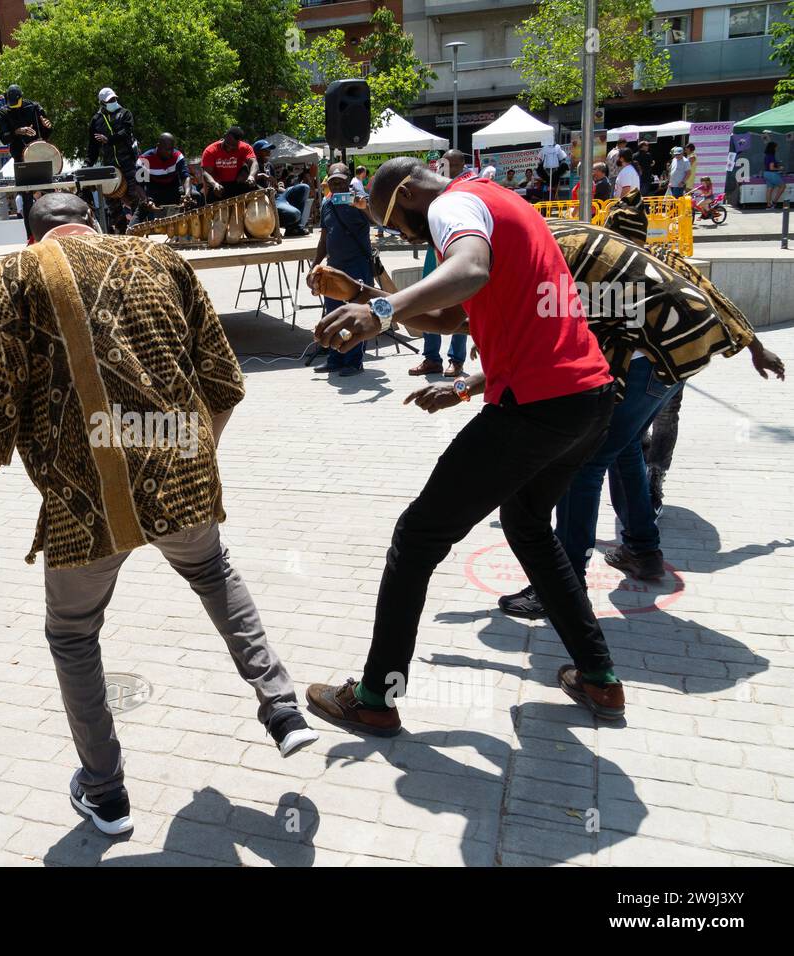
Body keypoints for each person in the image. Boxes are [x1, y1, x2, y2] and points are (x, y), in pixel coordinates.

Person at [0, 192, 319, 835]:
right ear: (94, 224)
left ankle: (105, 794)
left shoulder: (21, 274)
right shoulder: (164, 261)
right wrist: (187, 466)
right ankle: (282, 710)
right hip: (178, 477)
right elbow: (224, 384)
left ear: (33, 236)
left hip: (88, 499)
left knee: (73, 636)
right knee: (215, 574)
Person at [305, 156, 623, 732]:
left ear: (406, 199)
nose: (406, 238)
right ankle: (599, 679)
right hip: (588, 399)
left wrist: (381, 310)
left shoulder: (453, 204)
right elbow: (454, 315)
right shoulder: (501, 202)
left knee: (417, 535)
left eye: (400, 229)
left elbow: (470, 271)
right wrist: (366, 293)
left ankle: (374, 697)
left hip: (536, 407)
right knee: (527, 524)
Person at [475, 218, 786, 616]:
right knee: (623, 451)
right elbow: (707, 292)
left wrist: (477, 377)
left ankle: (561, 586)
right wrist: (755, 346)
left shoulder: (544, 256)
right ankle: (642, 550)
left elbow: (535, 334)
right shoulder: (615, 253)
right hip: (676, 356)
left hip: (648, 360)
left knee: (581, 462)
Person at [307, 164, 373, 375]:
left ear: (349, 181)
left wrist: (362, 206)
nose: (337, 185)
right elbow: (324, 238)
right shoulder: (327, 203)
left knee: (355, 315)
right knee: (334, 314)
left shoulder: (361, 202)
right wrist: (315, 265)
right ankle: (335, 359)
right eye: (333, 181)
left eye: (341, 181)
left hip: (358, 267)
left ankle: (354, 361)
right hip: (334, 268)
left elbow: (378, 219)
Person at [87, 88, 144, 234]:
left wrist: (109, 140)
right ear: (102, 103)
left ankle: (138, 229)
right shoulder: (96, 120)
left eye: (114, 99)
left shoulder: (125, 113)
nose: (113, 102)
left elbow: (126, 132)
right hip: (110, 165)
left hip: (129, 161)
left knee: (136, 195)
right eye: (109, 101)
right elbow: (93, 146)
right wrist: (88, 163)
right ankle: (121, 230)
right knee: (112, 200)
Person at [407, 242, 467, 378]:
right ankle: (432, 359)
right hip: (434, 251)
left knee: (459, 304)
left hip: (456, 249)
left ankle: (457, 360)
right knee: (428, 303)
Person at [252, 139, 310, 236]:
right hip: (266, 199)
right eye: (265, 150)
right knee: (294, 214)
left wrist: (283, 189)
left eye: (269, 150)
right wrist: (262, 177)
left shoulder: (269, 165)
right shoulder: (252, 166)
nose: (269, 152)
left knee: (303, 187)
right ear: (257, 153)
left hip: (277, 195)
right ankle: (277, 226)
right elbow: (250, 183)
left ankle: (294, 228)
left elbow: (275, 185)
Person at [137, 133, 200, 217]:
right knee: (134, 224)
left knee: (196, 196)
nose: (170, 153)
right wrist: (146, 200)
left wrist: (187, 195)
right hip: (154, 194)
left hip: (174, 191)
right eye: (167, 149)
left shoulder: (177, 156)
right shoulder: (144, 160)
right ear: (158, 146)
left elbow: (185, 177)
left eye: (172, 149)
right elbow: (139, 185)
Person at [0, 83, 52, 163]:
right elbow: (4, 139)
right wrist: (17, 132)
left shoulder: (34, 107)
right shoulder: (3, 113)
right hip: (19, 157)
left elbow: (46, 134)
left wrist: (46, 126)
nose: (15, 106)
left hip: (39, 153)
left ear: (21, 97)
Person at [200, 126, 257, 201]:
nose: (230, 149)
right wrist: (214, 184)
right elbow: (206, 173)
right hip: (219, 186)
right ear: (225, 137)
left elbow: (254, 162)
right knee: (213, 200)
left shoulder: (245, 147)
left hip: (238, 183)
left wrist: (251, 176)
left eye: (234, 147)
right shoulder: (210, 150)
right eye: (228, 145)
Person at [763, 141, 785, 208]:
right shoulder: (771, 156)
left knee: (769, 189)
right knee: (783, 186)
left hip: (766, 173)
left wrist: (776, 164)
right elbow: (771, 168)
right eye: (776, 147)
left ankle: (768, 205)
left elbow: (769, 166)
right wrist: (780, 168)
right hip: (771, 174)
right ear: (773, 148)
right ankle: (774, 202)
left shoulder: (766, 156)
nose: (776, 149)